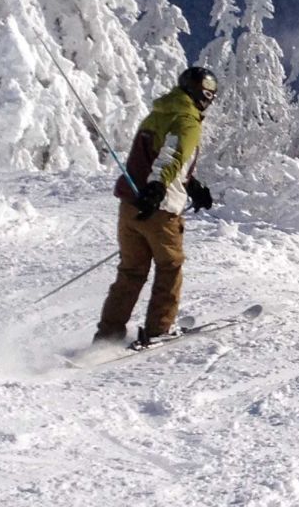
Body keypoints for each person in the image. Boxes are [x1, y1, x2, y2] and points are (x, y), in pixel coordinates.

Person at [93, 67, 218, 345]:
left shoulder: (159, 113)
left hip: (130, 205)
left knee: (131, 271)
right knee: (170, 266)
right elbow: (171, 155)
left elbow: (158, 156)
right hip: (158, 209)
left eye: (212, 96)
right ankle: (159, 329)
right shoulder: (187, 120)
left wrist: (191, 185)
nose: (208, 101)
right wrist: (158, 187)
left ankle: (108, 335)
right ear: (196, 92)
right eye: (207, 94)